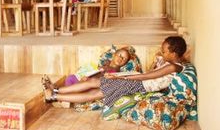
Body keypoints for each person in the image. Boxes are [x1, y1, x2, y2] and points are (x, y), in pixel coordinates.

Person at [42, 36, 187, 108]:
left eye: (164, 50)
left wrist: (123, 77)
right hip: (139, 82)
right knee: (95, 90)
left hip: (138, 85)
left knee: (94, 87)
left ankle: (55, 93)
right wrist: (157, 61)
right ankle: (54, 94)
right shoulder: (172, 63)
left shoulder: (173, 67)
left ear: (174, 53)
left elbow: (148, 76)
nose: (161, 52)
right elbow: (151, 73)